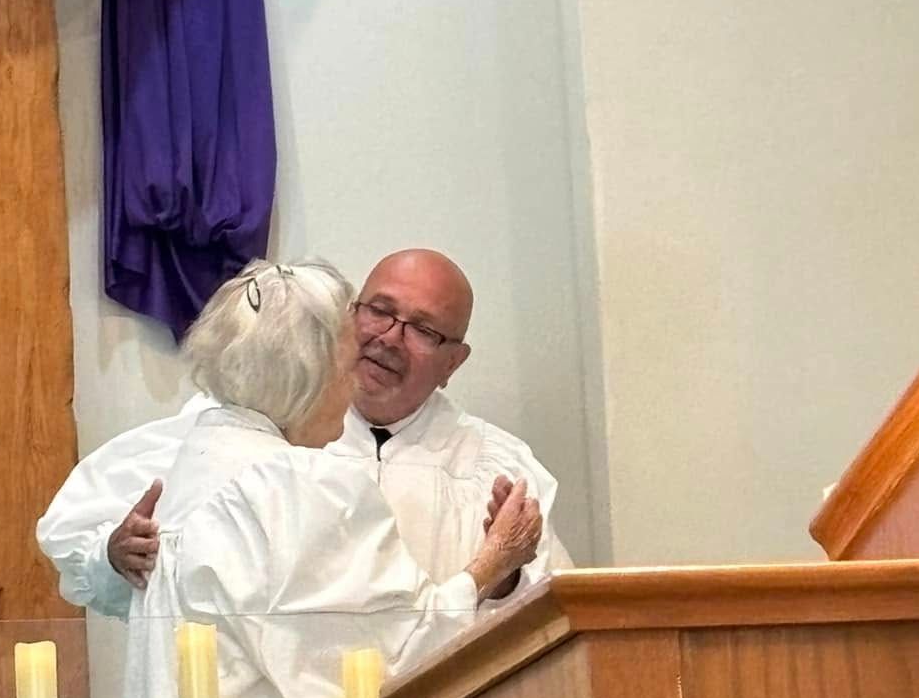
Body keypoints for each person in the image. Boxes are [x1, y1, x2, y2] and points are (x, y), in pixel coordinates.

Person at [121, 260, 543, 698]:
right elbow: (389, 660)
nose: (350, 395)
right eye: (345, 371)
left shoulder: (198, 459)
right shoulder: (292, 484)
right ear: (305, 377)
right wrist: (490, 565)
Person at [37, 248, 568, 610]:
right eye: (379, 311)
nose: (389, 337)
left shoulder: (496, 467)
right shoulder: (232, 430)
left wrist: (505, 577)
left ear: (455, 361)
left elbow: (549, 617)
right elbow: (80, 545)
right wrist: (112, 555)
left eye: (424, 330)